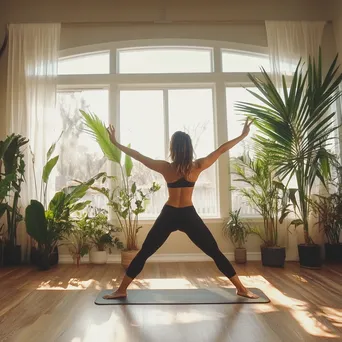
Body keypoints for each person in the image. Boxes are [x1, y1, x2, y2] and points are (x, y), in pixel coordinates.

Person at [104, 119, 258, 299]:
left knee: (145, 252)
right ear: (189, 148)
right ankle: (241, 288)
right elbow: (221, 150)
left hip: (169, 213)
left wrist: (115, 143)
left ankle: (122, 290)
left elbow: (138, 155)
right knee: (214, 252)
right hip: (188, 214)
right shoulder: (198, 166)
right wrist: (243, 135)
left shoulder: (165, 167)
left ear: (173, 148)